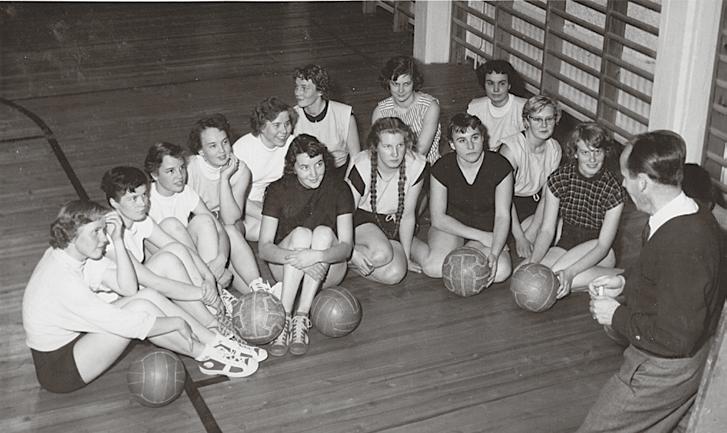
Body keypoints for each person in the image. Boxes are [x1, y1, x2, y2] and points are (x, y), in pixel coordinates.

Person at [22, 200, 259, 393]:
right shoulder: (63, 281)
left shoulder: (68, 255)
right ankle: (206, 356)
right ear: (73, 236)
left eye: (103, 231)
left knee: (146, 295)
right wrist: (177, 322)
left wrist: (117, 241)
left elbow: (127, 289)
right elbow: (126, 324)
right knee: (141, 310)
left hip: (76, 342)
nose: (103, 238)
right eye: (96, 232)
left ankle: (216, 343)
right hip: (60, 369)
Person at [581, 130, 725, 432]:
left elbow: (676, 337)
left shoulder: (683, 243)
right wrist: (624, 283)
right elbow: (662, 271)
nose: (622, 183)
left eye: (624, 176)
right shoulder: (689, 213)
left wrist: (615, 314)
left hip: (662, 368)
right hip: (681, 360)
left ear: (643, 182)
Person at [258, 134, 354, 357]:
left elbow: (346, 247)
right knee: (301, 234)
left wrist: (317, 256)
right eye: (305, 167)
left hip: (326, 269)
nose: (314, 173)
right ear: (293, 168)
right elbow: (264, 247)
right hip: (286, 267)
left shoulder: (340, 188)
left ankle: (302, 316)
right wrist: (301, 259)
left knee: (322, 233)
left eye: (318, 164)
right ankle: (284, 316)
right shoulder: (277, 190)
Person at [519, 122, 624, 298]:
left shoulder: (613, 189)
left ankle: (622, 276)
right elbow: (546, 230)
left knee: (555, 278)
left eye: (597, 151)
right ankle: (591, 282)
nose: (592, 159)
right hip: (567, 243)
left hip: (600, 250)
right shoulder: (560, 178)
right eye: (585, 152)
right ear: (575, 153)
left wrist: (570, 272)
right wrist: (533, 262)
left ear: (605, 152)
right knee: (525, 276)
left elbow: (603, 245)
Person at [411, 113, 513, 285]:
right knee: (434, 267)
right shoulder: (442, 167)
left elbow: (503, 215)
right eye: (461, 140)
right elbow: (438, 218)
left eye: (475, 137)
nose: (470, 146)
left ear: (483, 138)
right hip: (451, 226)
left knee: (501, 271)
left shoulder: (500, 166)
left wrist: (495, 252)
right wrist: (481, 237)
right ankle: (406, 242)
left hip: (488, 227)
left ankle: (462, 252)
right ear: (452, 144)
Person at [346, 117, 427, 284]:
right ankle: (343, 256)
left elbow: (408, 214)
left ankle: (348, 264)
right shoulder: (363, 164)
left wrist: (406, 257)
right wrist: (351, 251)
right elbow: (345, 213)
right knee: (382, 254)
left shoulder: (416, 165)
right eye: (387, 146)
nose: (395, 153)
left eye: (400, 145)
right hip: (361, 218)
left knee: (395, 273)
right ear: (375, 147)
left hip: (391, 223)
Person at [186, 113, 261, 290]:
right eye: (212, 146)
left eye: (225, 142)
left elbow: (230, 219)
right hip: (201, 235)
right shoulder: (189, 168)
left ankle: (259, 287)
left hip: (229, 230)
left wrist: (224, 179)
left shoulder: (241, 169)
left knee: (230, 229)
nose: (222, 150)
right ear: (201, 151)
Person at [499, 95, 562, 259]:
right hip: (505, 204)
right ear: (526, 121)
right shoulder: (511, 150)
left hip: (532, 203)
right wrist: (520, 237)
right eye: (537, 119)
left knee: (556, 228)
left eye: (549, 119)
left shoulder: (554, 148)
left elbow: (547, 196)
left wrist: (533, 230)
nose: (544, 125)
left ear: (556, 121)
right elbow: (503, 200)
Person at [232, 97, 297, 241]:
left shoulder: (293, 143)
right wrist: (269, 215)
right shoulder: (242, 148)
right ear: (261, 126)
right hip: (247, 205)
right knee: (256, 231)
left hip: (277, 201)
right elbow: (232, 196)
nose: (284, 131)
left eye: (287, 124)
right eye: (277, 125)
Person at [293, 64, 360, 179]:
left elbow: (356, 158)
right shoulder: (292, 116)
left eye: (304, 88)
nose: (298, 93)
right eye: (297, 87)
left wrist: (346, 185)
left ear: (320, 91)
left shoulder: (345, 114)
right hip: (307, 175)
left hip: (339, 175)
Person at [371, 55, 441, 165]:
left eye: (406, 84)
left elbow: (420, 152)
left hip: (425, 168)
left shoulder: (430, 107)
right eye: (395, 84)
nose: (401, 90)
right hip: (392, 168)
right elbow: (377, 149)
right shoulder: (380, 111)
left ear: (414, 82)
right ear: (388, 83)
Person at [467, 59, 527, 151]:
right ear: (484, 84)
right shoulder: (474, 107)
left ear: (509, 85)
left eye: (502, 84)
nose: (496, 89)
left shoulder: (523, 107)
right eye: (490, 83)